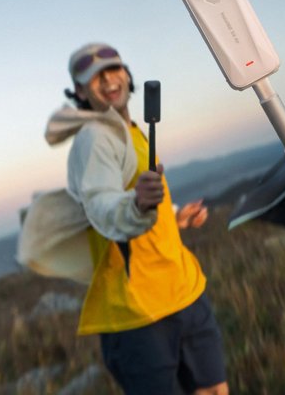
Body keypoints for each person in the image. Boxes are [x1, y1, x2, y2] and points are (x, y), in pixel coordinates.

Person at [41, 43, 228, 395]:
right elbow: (102, 205)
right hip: (137, 315)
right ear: (80, 92)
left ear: (127, 75)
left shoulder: (132, 132)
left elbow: (131, 191)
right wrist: (138, 206)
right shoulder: (95, 138)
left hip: (184, 289)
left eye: (114, 69)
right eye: (94, 78)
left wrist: (175, 216)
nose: (109, 79)